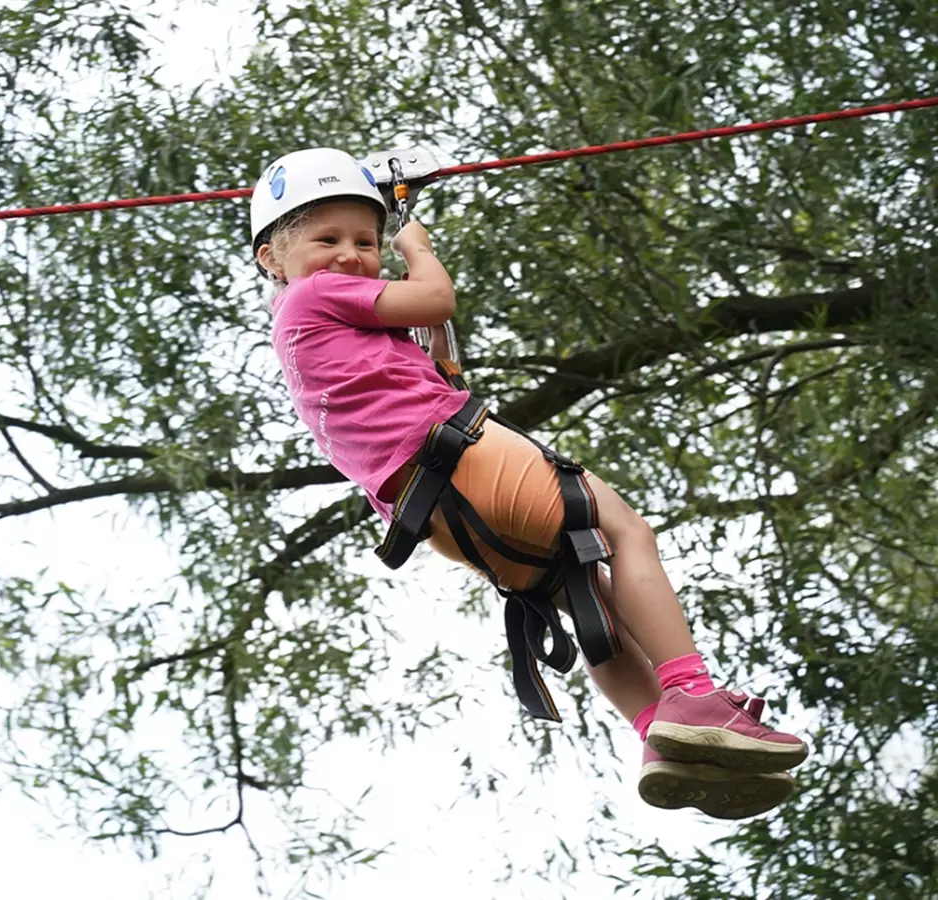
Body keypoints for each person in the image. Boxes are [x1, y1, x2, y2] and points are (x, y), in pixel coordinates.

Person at [250, 147, 809, 819]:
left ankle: (659, 737)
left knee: (583, 592)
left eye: (365, 242)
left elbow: (423, 337)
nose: (349, 255)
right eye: (326, 240)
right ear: (272, 260)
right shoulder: (312, 294)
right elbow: (435, 297)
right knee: (624, 531)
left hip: (430, 512)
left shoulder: (308, 330)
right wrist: (415, 247)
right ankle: (693, 691)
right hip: (459, 456)